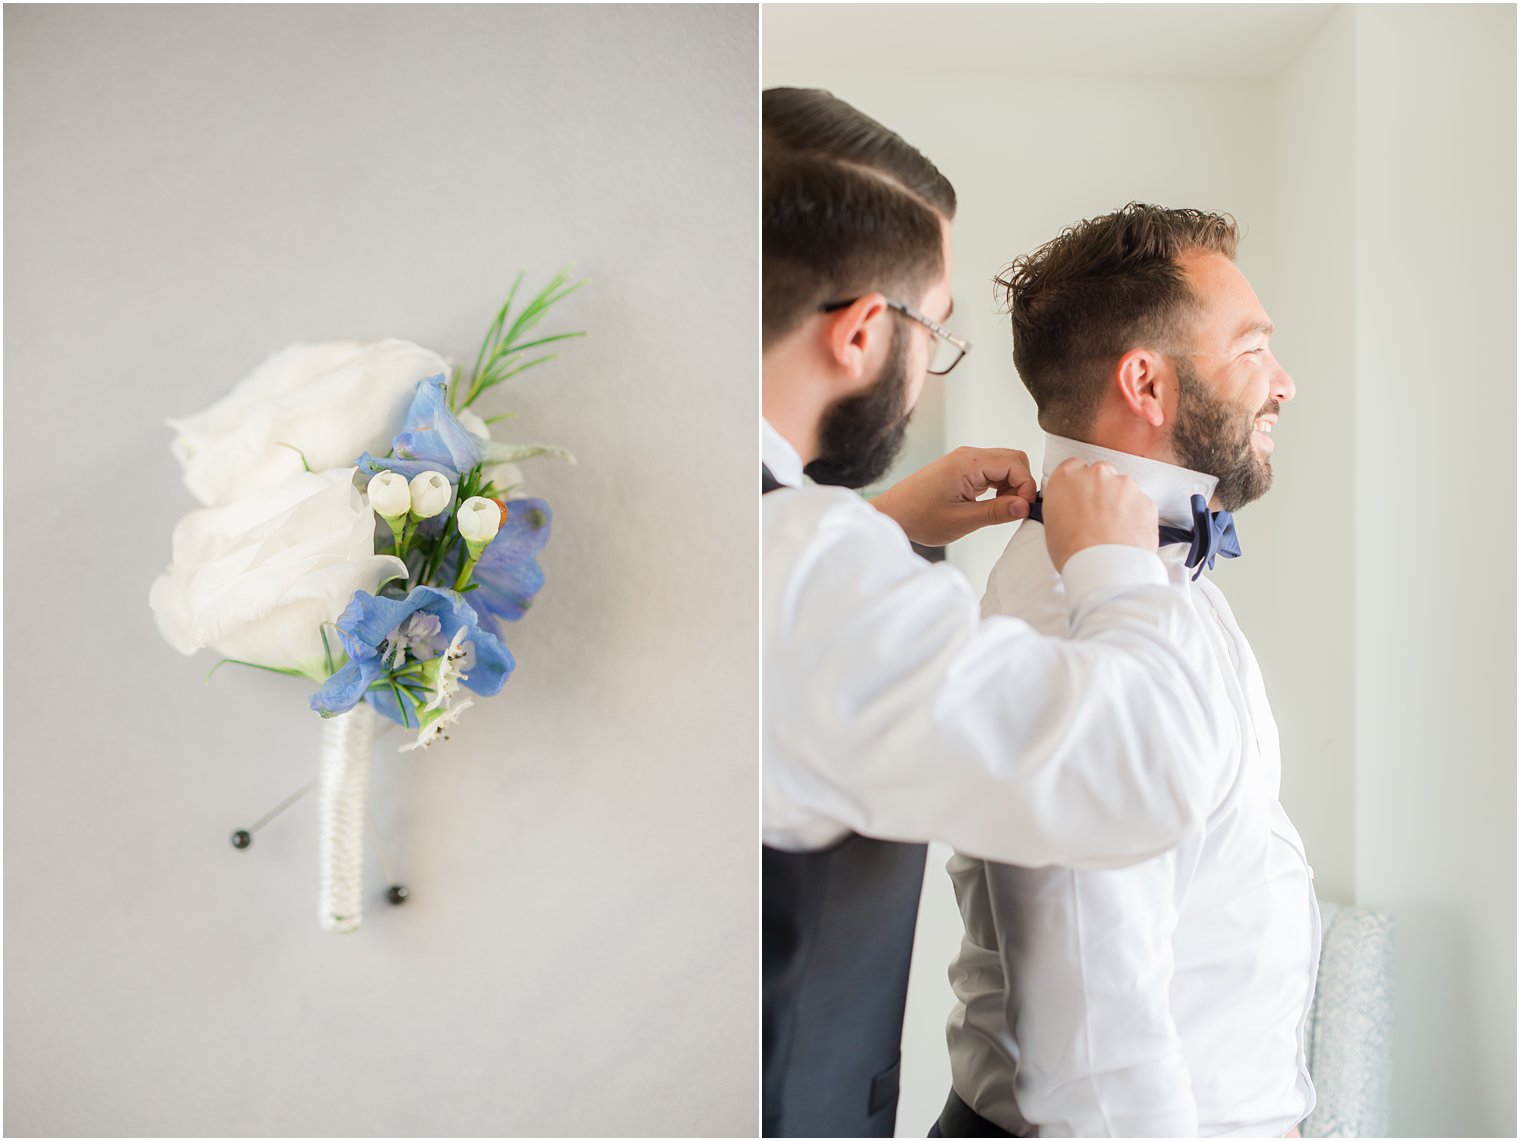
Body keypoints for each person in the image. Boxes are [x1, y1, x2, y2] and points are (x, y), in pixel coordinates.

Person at [761, 88, 1239, 1138]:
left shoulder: (754, 540)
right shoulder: (821, 565)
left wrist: (876, 522)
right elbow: (1138, 779)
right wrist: (1112, 566)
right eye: (933, 328)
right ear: (856, 334)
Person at [936, 204, 1318, 1138]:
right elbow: (1095, 1057)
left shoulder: (1166, 580)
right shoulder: (1069, 620)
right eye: (1252, 347)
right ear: (1146, 383)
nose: (1284, 383)